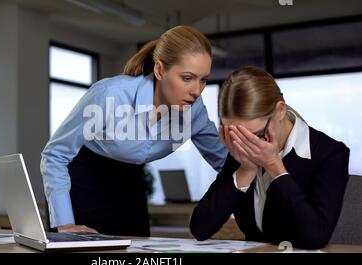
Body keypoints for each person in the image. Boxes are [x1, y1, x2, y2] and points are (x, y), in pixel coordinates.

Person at [41, 25, 228, 236]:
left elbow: (227, 163)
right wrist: (64, 222)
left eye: (203, 79)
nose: (196, 91)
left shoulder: (195, 111)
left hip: (130, 185)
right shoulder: (109, 95)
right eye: (187, 78)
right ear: (159, 70)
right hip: (84, 182)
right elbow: (55, 155)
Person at [190, 66, 350, 249]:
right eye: (236, 135)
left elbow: (314, 237)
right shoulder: (241, 150)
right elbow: (200, 228)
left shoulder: (329, 154)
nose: (248, 144)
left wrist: (274, 166)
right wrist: (247, 169)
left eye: (257, 135)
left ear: (280, 111)